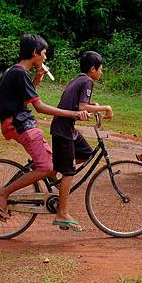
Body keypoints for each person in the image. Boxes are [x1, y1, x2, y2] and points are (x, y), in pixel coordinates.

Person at [0, 34, 90, 222]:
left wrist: (36, 80)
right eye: (43, 53)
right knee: (46, 168)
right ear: (35, 53)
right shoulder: (19, 73)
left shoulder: (15, 71)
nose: (45, 57)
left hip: (22, 124)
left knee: (51, 165)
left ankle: (58, 200)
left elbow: (22, 99)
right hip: (21, 126)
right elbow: (39, 107)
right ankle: (2, 194)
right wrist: (73, 114)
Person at [50, 51, 113, 232]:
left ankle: (55, 172)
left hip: (68, 129)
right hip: (64, 131)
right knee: (69, 171)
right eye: (100, 69)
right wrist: (106, 107)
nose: (101, 72)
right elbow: (81, 107)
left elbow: (82, 104)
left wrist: (94, 107)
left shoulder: (79, 79)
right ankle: (62, 213)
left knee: (86, 154)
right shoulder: (88, 81)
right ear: (93, 69)